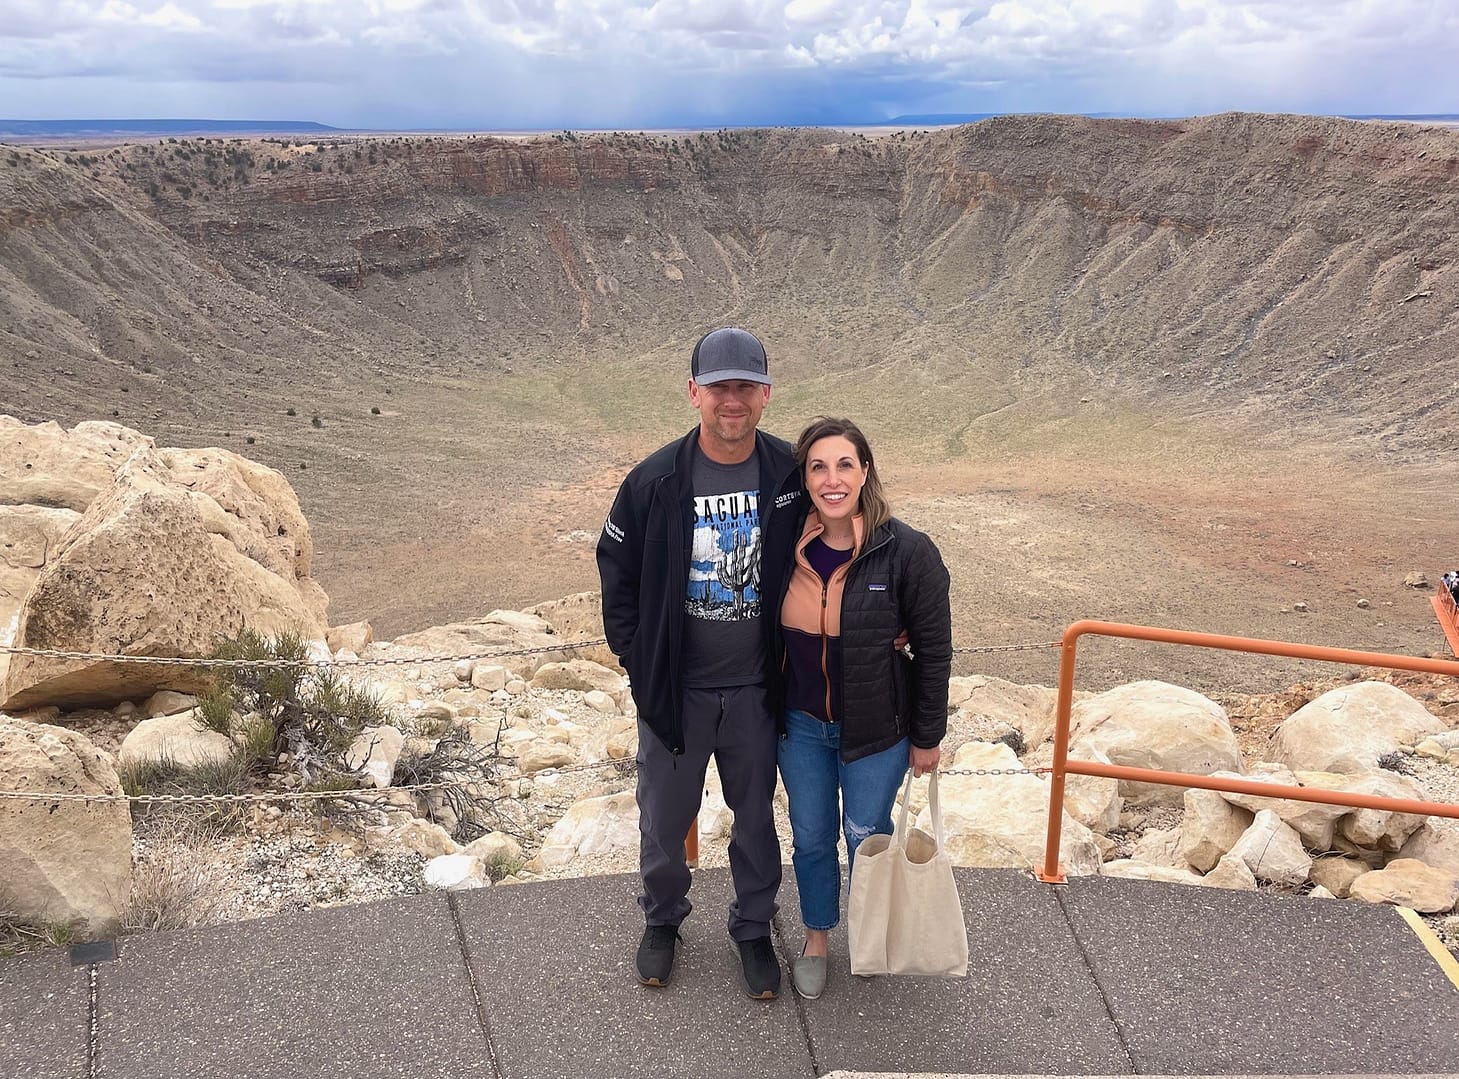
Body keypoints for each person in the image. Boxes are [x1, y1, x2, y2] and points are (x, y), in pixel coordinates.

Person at [596, 327, 803, 999]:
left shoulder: (790, 476)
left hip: (756, 691)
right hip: (676, 691)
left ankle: (751, 925)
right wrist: (638, 660)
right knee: (662, 817)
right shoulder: (654, 480)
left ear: (765, 396)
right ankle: (661, 920)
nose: (731, 401)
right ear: (694, 394)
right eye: (719, 388)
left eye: (745, 387)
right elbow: (616, 572)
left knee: (754, 818)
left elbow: (845, 544)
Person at [774, 416, 953, 1001]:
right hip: (800, 726)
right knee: (810, 836)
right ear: (804, 477)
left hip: (877, 731)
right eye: (818, 467)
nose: (832, 479)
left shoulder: (906, 552)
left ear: (865, 471)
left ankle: (870, 936)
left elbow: (933, 650)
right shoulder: (781, 548)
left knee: (867, 837)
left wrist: (927, 736)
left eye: (844, 464)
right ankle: (818, 939)